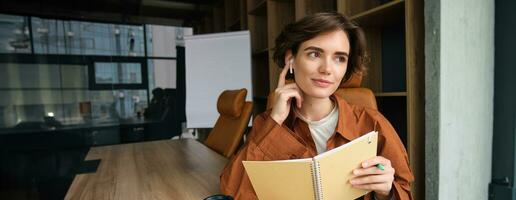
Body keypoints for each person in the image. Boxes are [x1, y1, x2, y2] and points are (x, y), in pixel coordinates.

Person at [220, 12, 414, 200]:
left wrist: (386, 192)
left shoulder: (373, 123)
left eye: (340, 58)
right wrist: (275, 122)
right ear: (291, 59)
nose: (327, 69)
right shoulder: (268, 122)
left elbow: (405, 192)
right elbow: (231, 191)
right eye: (314, 54)